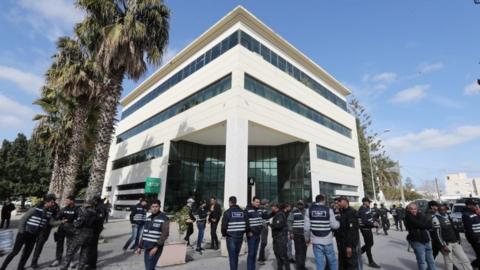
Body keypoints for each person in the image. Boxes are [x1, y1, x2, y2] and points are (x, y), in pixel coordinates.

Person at [0, 194, 56, 270]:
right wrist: (22, 231)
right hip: (24, 233)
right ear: (46, 201)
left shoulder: (49, 212)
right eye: (52, 202)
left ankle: (20, 268)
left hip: (34, 235)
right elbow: (23, 219)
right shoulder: (35, 209)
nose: (53, 203)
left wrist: (62, 221)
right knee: (15, 252)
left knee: (27, 253)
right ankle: (3, 267)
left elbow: (52, 223)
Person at [60, 199, 98, 270]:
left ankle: (64, 267)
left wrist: (74, 225)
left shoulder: (83, 211)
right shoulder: (95, 212)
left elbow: (78, 223)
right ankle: (80, 267)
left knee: (71, 251)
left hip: (81, 234)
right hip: (90, 235)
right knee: (84, 253)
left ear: (87, 204)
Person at [304, 194, 340, 270]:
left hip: (316, 241)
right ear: (323, 200)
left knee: (319, 262)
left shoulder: (308, 210)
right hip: (327, 241)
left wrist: (307, 239)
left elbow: (306, 228)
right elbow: (334, 226)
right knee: (332, 262)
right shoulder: (329, 210)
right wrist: (339, 223)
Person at [432, 204, 471, 270]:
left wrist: (458, 239)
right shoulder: (435, 219)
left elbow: (454, 229)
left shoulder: (448, 216)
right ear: (438, 210)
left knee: (464, 259)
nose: (444, 211)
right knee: (449, 262)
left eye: (445, 210)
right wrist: (443, 245)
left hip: (455, 242)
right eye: (441, 210)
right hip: (446, 244)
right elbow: (437, 234)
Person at [135, 199, 169, 270]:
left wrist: (156, 247)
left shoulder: (164, 218)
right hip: (147, 246)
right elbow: (144, 234)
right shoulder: (148, 218)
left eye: (156, 206)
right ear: (150, 207)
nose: (154, 208)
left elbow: (165, 234)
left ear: (159, 207)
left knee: (150, 268)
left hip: (155, 248)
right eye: (153, 206)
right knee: (148, 268)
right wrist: (139, 247)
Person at [404, 202, 437, 270]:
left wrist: (426, 225)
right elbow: (420, 225)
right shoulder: (408, 217)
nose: (413, 210)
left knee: (431, 260)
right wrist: (426, 225)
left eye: (415, 209)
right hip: (417, 241)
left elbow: (429, 223)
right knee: (422, 261)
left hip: (426, 240)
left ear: (417, 209)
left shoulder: (421, 215)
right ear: (408, 210)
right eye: (411, 209)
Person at [30, 198, 59, 269]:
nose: (53, 204)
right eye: (52, 202)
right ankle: (23, 262)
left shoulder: (55, 209)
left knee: (39, 247)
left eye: (54, 203)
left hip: (45, 231)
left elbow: (54, 220)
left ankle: (34, 262)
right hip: (35, 229)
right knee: (29, 247)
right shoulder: (39, 207)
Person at [50, 195, 78, 267]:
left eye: (67, 200)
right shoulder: (63, 209)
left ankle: (71, 261)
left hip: (71, 230)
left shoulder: (77, 210)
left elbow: (79, 220)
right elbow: (57, 218)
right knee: (59, 245)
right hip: (61, 229)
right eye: (65, 200)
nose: (66, 202)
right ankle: (57, 260)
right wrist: (60, 221)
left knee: (70, 246)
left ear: (72, 201)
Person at [336, 196, 362, 270]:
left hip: (349, 244)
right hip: (342, 242)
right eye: (337, 201)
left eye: (339, 201)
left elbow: (352, 231)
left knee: (351, 264)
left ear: (345, 202)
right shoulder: (342, 211)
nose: (338, 203)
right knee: (343, 263)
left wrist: (349, 246)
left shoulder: (351, 212)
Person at [221, 196, 246, 270]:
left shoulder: (227, 212)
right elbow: (246, 223)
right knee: (236, 255)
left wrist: (224, 234)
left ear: (230, 202)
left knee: (232, 256)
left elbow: (223, 227)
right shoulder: (242, 212)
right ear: (236, 202)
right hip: (240, 237)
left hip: (231, 237)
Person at [358, 197, 381, 268]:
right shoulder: (362, 210)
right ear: (364, 202)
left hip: (368, 228)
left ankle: (358, 253)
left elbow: (370, 218)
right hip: (365, 230)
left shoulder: (367, 208)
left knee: (370, 243)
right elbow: (365, 221)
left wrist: (375, 222)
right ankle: (371, 261)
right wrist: (373, 224)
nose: (369, 203)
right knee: (368, 245)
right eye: (368, 202)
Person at [86, 195, 106, 269]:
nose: (93, 202)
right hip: (94, 228)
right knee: (91, 247)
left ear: (96, 200)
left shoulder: (101, 207)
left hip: (95, 229)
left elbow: (100, 217)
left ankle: (92, 265)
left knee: (93, 248)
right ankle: (89, 262)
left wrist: (92, 218)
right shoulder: (98, 206)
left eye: (94, 200)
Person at [270, 202, 290, 270]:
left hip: (281, 238)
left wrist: (271, 225)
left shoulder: (280, 214)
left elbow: (278, 225)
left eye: (272, 207)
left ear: (275, 207)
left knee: (283, 255)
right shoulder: (277, 214)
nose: (271, 208)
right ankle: (280, 268)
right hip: (276, 237)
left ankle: (287, 268)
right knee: (277, 254)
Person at [288, 200, 307, 270]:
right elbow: (289, 222)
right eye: (299, 204)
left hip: (305, 235)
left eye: (301, 204)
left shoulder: (306, 212)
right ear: (297, 205)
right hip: (297, 234)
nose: (300, 205)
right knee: (298, 251)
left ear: (303, 204)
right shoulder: (293, 212)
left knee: (304, 251)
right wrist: (291, 232)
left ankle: (302, 265)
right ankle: (299, 267)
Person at [245, 196, 263, 270]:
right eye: (256, 202)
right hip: (251, 235)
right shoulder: (248, 210)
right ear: (252, 202)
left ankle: (253, 268)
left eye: (259, 202)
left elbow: (265, 216)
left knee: (255, 253)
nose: (258, 203)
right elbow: (245, 222)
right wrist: (248, 231)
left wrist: (273, 213)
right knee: (251, 253)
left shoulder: (259, 210)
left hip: (258, 234)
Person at [462, 198, 480, 268]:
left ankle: (475, 265)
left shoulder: (475, 213)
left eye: (476, 205)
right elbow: (469, 230)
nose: (476, 206)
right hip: (475, 239)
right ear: (469, 206)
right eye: (474, 205)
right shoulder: (466, 215)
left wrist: (478, 213)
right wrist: (476, 239)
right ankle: (473, 265)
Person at [258, 198, 271, 264]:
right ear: (265, 203)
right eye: (267, 203)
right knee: (264, 242)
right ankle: (261, 259)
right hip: (264, 227)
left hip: (262, 227)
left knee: (263, 242)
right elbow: (266, 219)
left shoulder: (260, 209)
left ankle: (262, 256)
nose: (268, 204)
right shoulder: (264, 210)